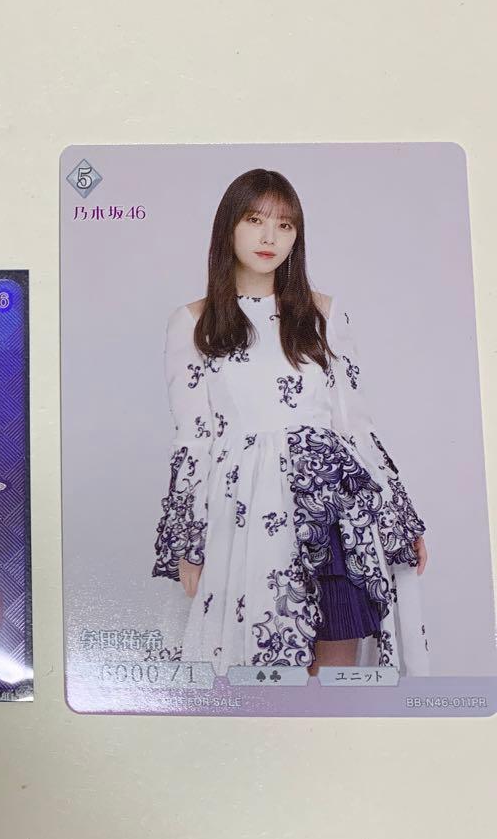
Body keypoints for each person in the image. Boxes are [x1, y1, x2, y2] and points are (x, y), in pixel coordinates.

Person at [152, 169, 429, 674]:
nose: (269, 237)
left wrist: (399, 514)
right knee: (263, 669)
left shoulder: (324, 312)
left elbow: (355, 424)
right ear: (228, 227)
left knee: (338, 659)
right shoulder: (192, 322)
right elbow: (194, 441)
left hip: (333, 504)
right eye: (255, 220)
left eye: (284, 225)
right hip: (247, 508)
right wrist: (189, 541)